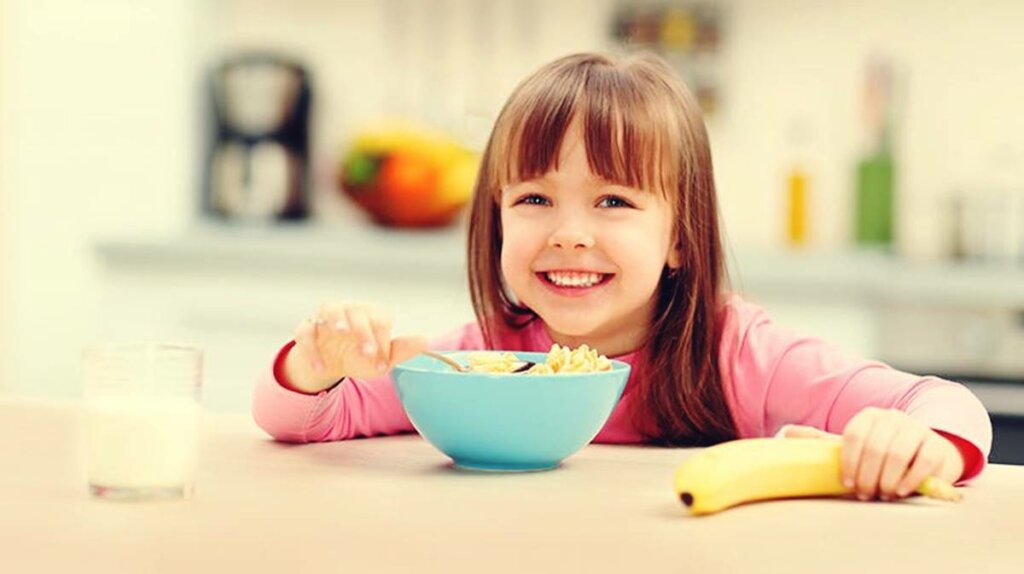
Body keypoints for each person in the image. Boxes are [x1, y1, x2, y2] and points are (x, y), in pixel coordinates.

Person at [252, 52, 991, 502]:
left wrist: (915, 439)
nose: (569, 233)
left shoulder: (740, 355)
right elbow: (298, 417)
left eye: (613, 201)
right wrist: (317, 365)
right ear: (496, 219)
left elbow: (951, 408)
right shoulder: (481, 357)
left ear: (680, 238)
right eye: (534, 199)